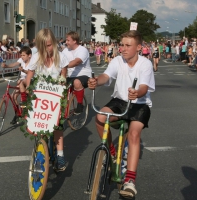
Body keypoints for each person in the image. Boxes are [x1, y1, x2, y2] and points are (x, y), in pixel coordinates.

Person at [88, 30, 155, 198]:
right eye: (121, 45)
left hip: (139, 104)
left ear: (138, 47)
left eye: (127, 45)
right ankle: (111, 151)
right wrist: (97, 82)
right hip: (119, 101)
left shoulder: (145, 64)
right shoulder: (117, 60)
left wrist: (136, 93)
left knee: (133, 134)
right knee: (100, 117)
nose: (123, 49)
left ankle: (130, 181)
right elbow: (106, 76)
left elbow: (144, 87)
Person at [26, 28, 69, 172]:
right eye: (43, 46)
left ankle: (60, 155)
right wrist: (28, 88)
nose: (47, 49)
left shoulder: (61, 57)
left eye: (49, 45)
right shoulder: (36, 57)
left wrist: (62, 88)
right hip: (40, 96)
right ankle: (41, 149)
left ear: (54, 44)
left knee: (57, 126)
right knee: (40, 124)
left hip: (55, 96)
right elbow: (30, 75)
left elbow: (63, 76)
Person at [62, 31, 92, 114]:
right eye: (66, 40)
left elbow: (76, 62)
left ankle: (80, 104)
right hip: (70, 76)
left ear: (74, 41)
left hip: (84, 75)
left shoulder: (83, 50)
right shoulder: (65, 50)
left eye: (68, 40)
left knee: (76, 82)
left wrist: (64, 66)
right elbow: (60, 61)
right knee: (58, 85)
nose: (66, 42)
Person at [1, 46, 32, 124]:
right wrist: (6, 66)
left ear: (29, 55)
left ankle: (25, 105)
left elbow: (31, 73)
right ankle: (17, 114)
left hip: (30, 81)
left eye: (23, 55)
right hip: (21, 81)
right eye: (21, 55)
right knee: (13, 96)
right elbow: (14, 64)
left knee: (29, 95)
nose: (22, 57)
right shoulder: (21, 60)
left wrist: (24, 70)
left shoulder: (32, 62)